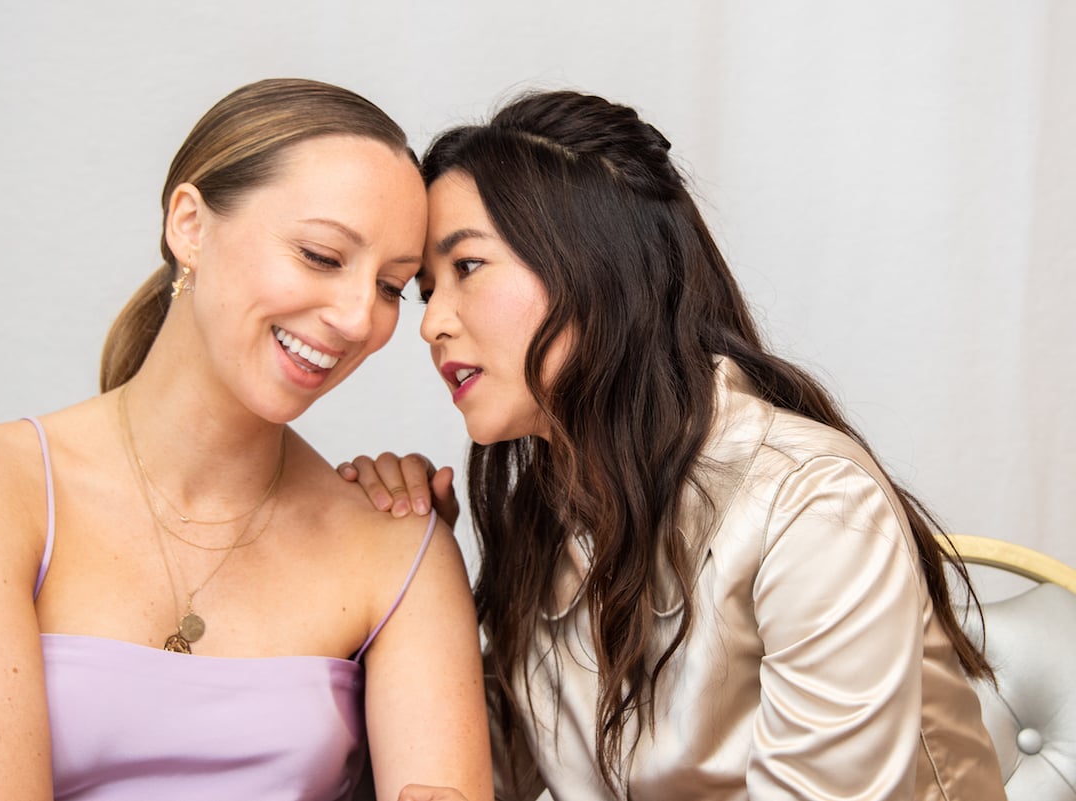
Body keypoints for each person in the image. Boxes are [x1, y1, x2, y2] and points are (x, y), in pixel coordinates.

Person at [339, 89, 1006, 800]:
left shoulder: (812, 503)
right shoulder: (547, 511)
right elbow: (472, 781)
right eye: (425, 289)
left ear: (595, 266)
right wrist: (406, 571)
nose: (431, 322)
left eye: (467, 267)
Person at [0, 78, 492, 801]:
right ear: (189, 225)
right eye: (322, 256)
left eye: (394, 286)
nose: (361, 317)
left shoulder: (400, 544)